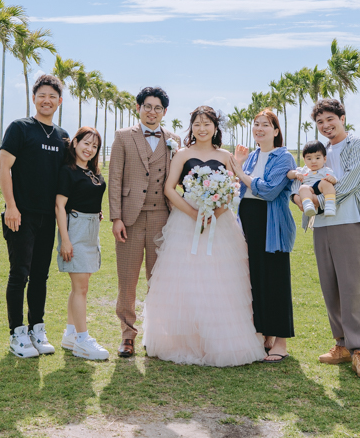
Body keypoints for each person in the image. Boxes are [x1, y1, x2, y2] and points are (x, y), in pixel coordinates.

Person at [143, 107, 265, 367]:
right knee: (186, 278)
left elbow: (232, 189)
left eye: (207, 124)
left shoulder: (225, 156)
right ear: (192, 127)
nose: (202, 129)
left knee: (220, 278)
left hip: (219, 224)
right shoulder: (182, 154)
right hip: (186, 222)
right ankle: (185, 339)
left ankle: (218, 340)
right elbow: (169, 188)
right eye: (197, 124)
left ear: (215, 127)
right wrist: (193, 213)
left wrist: (214, 213)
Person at [296, 98, 360, 380]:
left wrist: (316, 202)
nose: (326, 125)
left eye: (330, 119)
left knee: (351, 288)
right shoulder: (320, 151)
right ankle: (342, 345)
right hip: (321, 225)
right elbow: (303, 178)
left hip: (349, 223)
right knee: (329, 286)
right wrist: (299, 197)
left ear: (342, 118)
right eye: (320, 122)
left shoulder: (359, 145)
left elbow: (351, 181)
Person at [0, 74, 68, 358]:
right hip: (21, 215)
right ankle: (17, 333)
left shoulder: (63, 137)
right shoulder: (20, 128)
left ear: (59, 101)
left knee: (41, 276)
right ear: (33, 98)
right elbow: (4, 168)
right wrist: (11, 206)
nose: (46, 101)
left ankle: (36, 329)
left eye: (52, 96)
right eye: (42, 96)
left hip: (47, 218)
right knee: (19, 274)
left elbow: (67, 179)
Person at [108, 86, 179, 358]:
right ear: (138, 108)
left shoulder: (174, 140)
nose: (152, 112)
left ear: (164, 112)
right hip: (130, 219)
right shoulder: (123, 136)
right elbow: (115, 179)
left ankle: (155, 334)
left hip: (163, 217)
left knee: (158, 279)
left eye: (158, 108)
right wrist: (116, 218)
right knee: (127, 280)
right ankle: (127, 335)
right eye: (147, 106)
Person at [232, 110, 297, 363]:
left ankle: (280, 342)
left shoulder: (284, 157)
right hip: (248, 220)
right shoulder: (251, 156)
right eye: (256, 124)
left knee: (275, 279)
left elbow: (269, 191)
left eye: (266, 125)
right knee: (255, 278)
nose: (259, 129)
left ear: (276, 131)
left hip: (271, 223)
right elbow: (240, 189)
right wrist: (239, 167)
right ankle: (264, 336)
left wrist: (240, 173)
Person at [55, 126, 109, 361]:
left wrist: (96, 212)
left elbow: (89, 195)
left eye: (95, 146)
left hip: (91, 229)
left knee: (80, 286)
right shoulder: (68, 171)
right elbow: (59, 206)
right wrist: (65, 240)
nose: (90, 149)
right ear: (75, 143)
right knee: (81, 289)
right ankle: (83, 340)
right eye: (86, 143)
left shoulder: (93, 172)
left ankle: (70, 334)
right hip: (75, 229)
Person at [289, 140, 338, 218]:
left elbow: (335, 180)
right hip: (309, 191)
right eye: (309, 159)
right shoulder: (303, 170)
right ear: (304, 160)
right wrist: (296, 174)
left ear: (324, 159)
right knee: (303, 188)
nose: (313, 161)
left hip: (320, 191)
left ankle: (330, 204)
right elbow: (289, 174)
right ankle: (308, 205)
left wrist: (332, 179)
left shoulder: (326, 170)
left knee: (325, 183)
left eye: (317, 158)